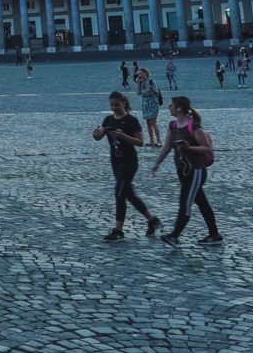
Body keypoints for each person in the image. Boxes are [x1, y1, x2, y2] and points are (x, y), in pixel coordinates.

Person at [150, 96, 221, 245]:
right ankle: (215, 235)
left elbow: (207, 147)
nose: (169, 106)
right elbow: (168, 146)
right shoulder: (173, 125)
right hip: (182, 170)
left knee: (185, 202)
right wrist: (157, 163)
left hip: (195, 171)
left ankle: (174, 235)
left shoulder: (194, 126)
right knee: (202, 203)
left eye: (172, 105)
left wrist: (189, 148)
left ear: (179, 108)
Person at [93, 90, 157, 241]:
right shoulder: (108, 119)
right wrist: (96, 133)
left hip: (129, 162)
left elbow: (140, 142)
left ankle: (118, 230)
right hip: (116, 162)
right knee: (128, 194)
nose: (114, 107)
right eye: (112, 105)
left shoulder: (131, 120)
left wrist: (122, 136)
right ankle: (152, 220)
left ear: (124, 103)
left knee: (119, 192)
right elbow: (98, 136)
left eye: (117, 104)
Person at [136, 67, 164, 140]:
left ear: (146, 74)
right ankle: (151, 141)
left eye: (141, 73)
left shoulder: (152, 81)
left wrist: (152, 89)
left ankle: (158, 140)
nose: (140, 75)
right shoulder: (141, 83)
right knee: (148, 123)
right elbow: (138, 93)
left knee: (153, 122)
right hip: (145, 103)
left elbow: (157, 94)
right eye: (139, 74)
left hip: (153, 102)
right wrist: (138, 83)